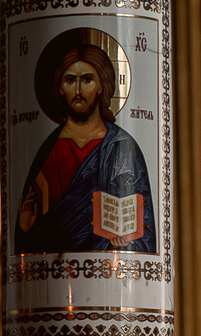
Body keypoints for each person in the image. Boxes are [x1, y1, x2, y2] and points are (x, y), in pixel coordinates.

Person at [14, 29, 156, 256]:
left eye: (87, 80)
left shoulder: (121, 147)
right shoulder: (48, 152)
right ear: (60, 88)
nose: (78, 90)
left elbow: (145, 231)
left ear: (102, 86)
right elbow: (31, 242)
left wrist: (127, 242)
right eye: (70, 80)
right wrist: (26, 228)